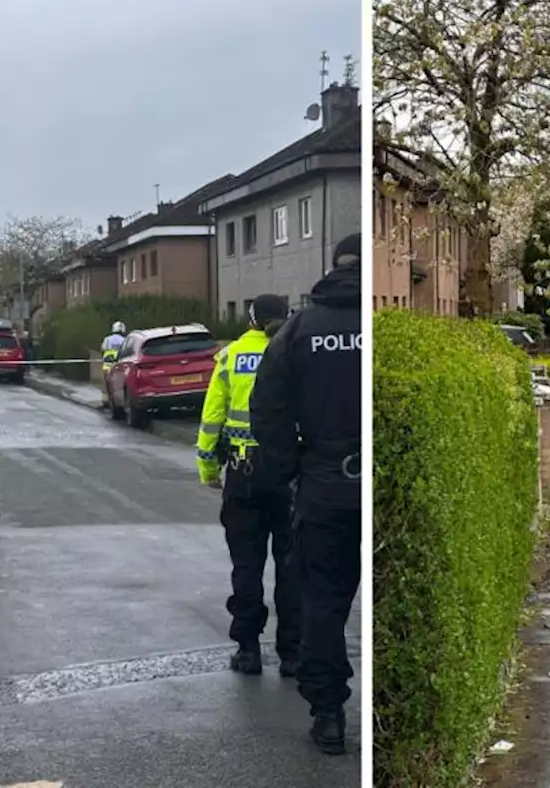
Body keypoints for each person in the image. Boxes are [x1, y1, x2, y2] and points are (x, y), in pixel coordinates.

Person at [251, 233, 361, 756]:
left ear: (332, 266)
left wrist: (291, 472)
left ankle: (329, 714)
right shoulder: (381, 328)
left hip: (323, 485)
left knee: (322, 599)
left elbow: (267, 410)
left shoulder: (299, 330)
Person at [194, 295, 301, 678]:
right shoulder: (296, 353)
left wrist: (208, 468)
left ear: (252, 320)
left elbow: (211, 420)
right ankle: (291, 654)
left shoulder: (230, 357)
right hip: (289, 476)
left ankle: (248, 649)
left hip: (243, 474)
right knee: (291, 568)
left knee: (247, 566)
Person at [100, 321, 126, 408]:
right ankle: (116, 401)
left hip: (107, 364)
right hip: (118, 364)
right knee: (117, 384)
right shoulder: (124, 340)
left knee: (106, 383)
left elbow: (103, 349)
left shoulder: (107, 339)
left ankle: (106, 401)